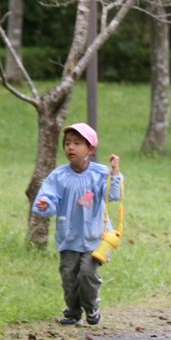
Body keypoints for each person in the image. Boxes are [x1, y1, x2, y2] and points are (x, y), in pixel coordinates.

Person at [32, 123, 124, 326]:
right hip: (68, 236)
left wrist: (115, 173)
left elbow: (113, 195)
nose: (70, 148)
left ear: (90, 149)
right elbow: (48, 200)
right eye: (67, 143)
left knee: (87, 274)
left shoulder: (100, 173)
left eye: (77, 143)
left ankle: (91, 308)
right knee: (69, 278)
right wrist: (45, 203)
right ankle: (73, 312)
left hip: (96, 237)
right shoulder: (59, 176)